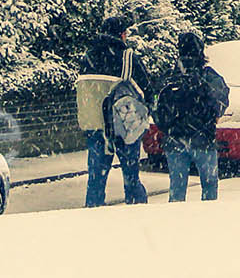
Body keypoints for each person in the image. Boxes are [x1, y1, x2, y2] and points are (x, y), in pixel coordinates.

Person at [75, 15, 151, 207]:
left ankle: (93, 215)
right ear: (122, 34)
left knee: (96, 181)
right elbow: (146, 88)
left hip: (94, 126)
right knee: (131, 177)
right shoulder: (127, 58)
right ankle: (137, 213)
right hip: (123, 126)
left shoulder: (88, 57)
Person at [154, 31, 230, 203]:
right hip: (203, 139)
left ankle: (176, 219)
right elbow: (221, 100)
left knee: (177, 186)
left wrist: (167, 127)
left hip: (175, 140)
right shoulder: (208, 76)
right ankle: (206, 218)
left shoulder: (170, 77)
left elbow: (156, 105)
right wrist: (212, 119)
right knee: (209, 184)